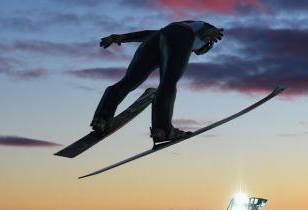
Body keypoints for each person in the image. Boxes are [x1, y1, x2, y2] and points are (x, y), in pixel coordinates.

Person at [91, 20, 224, 144]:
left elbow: (151, 34)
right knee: (168, 83)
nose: (194, 52)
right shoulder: (195, 32)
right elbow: (204, 28)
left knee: (128, 82)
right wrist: (211, 29)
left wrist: (122, 37)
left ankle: (101, 119)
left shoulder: (172, 30)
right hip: (177, 37)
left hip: (155, 39)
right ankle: (162, 130)